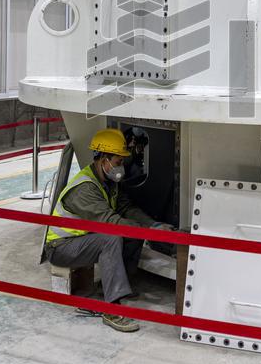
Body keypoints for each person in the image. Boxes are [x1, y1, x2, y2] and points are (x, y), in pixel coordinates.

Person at [44, 128, 175, 333]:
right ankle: (111, 309)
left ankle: (121, 287)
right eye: (118, 162)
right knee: (111, 237)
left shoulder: (107, 182)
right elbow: (110, 221)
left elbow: (126, 209)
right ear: (103, 160)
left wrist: (152, 225)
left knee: (130, 234)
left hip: (82, 242)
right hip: (61, 247)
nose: (121, 167)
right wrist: (148, 233)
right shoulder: (85, 188)